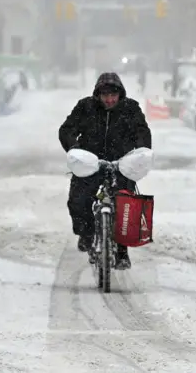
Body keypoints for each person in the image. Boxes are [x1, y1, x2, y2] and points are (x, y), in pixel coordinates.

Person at [58, 71, 152, 270]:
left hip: (121, 165)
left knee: (126, 206)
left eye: (113, 95)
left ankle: (121, 251)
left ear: (120, 94)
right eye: (105, 95)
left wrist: (141, 153)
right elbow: (67, 130)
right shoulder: (85, 107)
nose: (109, 100)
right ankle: (87, 234)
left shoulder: (131, 109)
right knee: (79, 200)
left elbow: (142, 132)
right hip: (90, 164)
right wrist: (74, 148)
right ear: (97, 95)